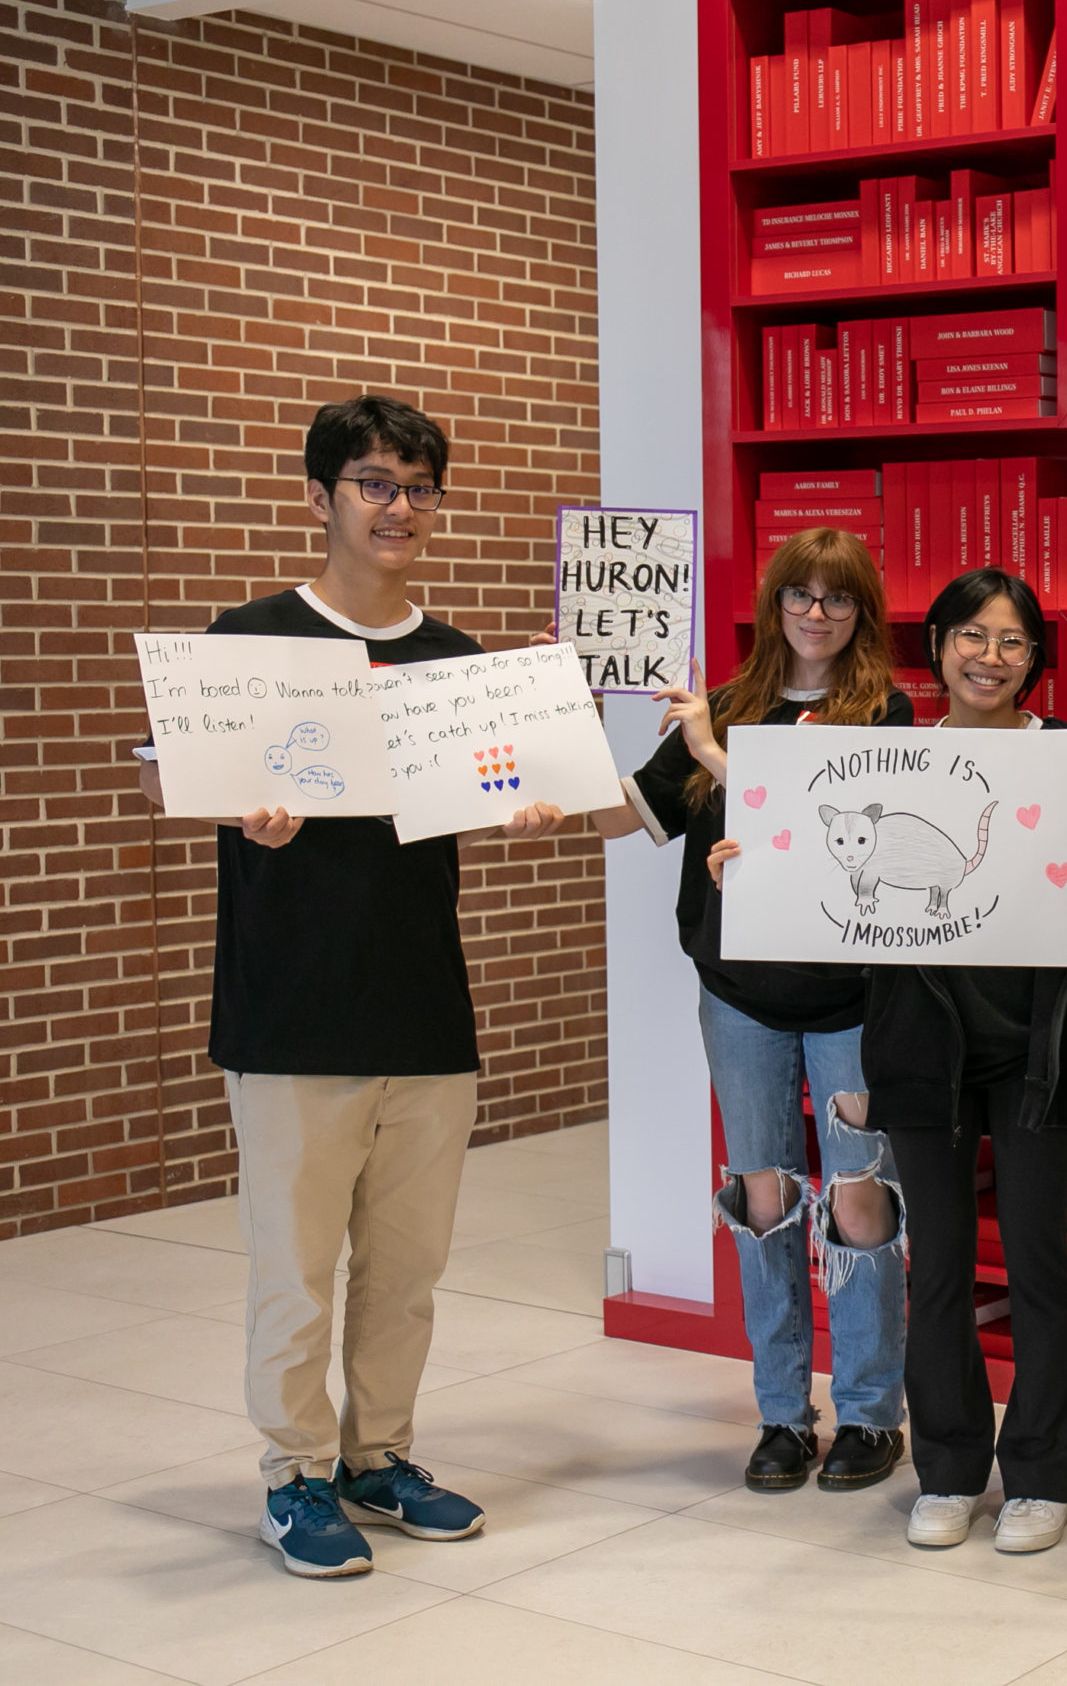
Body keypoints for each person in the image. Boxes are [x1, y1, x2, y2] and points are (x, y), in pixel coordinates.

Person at [136, 396, 565, 1577]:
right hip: (290, 1010)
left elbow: (486, 790)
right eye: (376, 484)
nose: (401, 509)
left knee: (406, 1267)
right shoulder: (252, 637)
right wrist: (237, 807)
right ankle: (292, 1475)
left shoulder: (455, 658)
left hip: (425, 1002)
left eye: (421, 488)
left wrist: (524, 790)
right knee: (295, 1267)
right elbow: (170, 773)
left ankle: (379, 1458)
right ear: (320, 496)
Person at [713, 567, 1067, 1555]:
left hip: (1041, 1051)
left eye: (1013, 642)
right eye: (971, 636)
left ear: (1036, 660)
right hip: (918, 1054)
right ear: (938, 645)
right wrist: (751, 866)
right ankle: (948, 1468)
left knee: (1035, 1263)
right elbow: (823, 876)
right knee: (937, 1264)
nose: (990, 657)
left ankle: (1040, 1474)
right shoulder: (886, 758)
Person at [587, 529, 911, 1497]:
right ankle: (780, 1412)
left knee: (858, 1203)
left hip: (852, 1000)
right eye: (799, 596)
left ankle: (865, 1414)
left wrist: (713, 755)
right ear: (773, 606)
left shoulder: (882, 718)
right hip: (738, 998)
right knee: (763, 1200)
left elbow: (818, 832)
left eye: (838, 599)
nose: (816, 614)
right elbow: (631, 814)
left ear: (862, 615)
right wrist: (533, 768)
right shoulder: (718, 709)